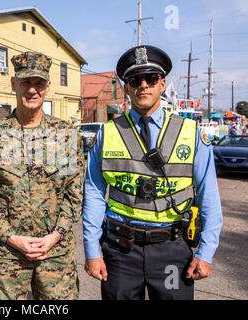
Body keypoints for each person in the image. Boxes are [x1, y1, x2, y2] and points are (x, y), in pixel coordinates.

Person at [83, 45, 223, 300]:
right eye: (135, 80)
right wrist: (92, 250)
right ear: (126, 87)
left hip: (171, 249)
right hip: (120, 250)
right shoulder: (106, 134)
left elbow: (208, 196)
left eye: (151, 79)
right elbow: (93, 192)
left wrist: (205, 252)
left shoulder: (191, 133)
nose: (143, 86)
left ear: (162, 84)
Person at [0, 52, 85, 300]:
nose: (32, 90)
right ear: (13, 84)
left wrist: (55, 236)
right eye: (26, 83)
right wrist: (13, 238)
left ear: (48, 87)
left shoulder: (66, 135)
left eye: (39, 83)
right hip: (5, 255)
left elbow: (74, 194)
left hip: (55, 256)